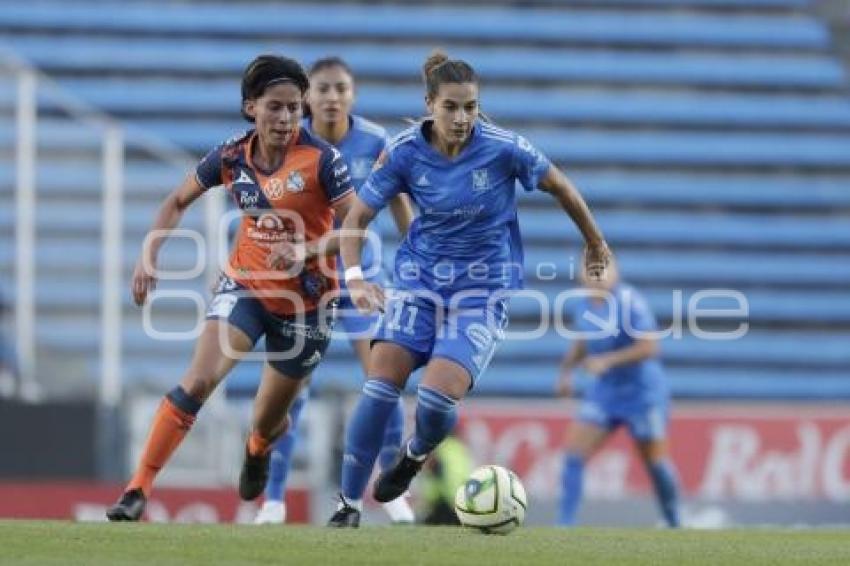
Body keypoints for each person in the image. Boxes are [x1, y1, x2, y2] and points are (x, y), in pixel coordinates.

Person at [327, 50, 611, 528]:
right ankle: (347, 506)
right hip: (419, 284)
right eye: (452, 107)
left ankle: (414, 456)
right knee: (378, 389)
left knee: (437, 402)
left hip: (481, 292)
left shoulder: (504, 148)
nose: (462, 118)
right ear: (429, 105)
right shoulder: (402, 152)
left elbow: (561, 185)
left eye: (471, 107)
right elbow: (357, 217)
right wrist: (355, 278)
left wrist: (595, 243)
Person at [106, 54, 355, 521]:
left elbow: (356, 225)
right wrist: (149, 253)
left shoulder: (324, 160)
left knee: (267, 419)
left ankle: (258, 447)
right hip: (245, 288)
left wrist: (307, 252)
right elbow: (177, 200)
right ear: (250, 108)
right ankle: (136, 489)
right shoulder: (230, 156)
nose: (285, 119)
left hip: (307, 305)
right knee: (199, 380)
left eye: (294, 109)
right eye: (275, 107)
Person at [253, 57, 416, 525]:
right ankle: (275, 499)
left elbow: (401, 202)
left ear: (353, 94)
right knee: (295, 388)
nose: (331, 97)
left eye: (340, 88)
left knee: (384, 378)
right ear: (308, 97)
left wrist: (414, 261)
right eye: (322, 89)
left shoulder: (376, 140)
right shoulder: (291, 142)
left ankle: (390, 490)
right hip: (307, 281)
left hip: (364, 277)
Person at [555, 259, 681, 528]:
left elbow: (650, 347)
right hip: (605, 392)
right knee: (573, 453)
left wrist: (607, 361)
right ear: (581, 274)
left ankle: (674, 522)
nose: (597, 276)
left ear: (616, 272)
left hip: (642, 393)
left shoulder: (629, 300)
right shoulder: (582, 305)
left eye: (603, 269)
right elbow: (581, 342)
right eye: (591, 270)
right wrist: (566, 372)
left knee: (656, 463)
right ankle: (564, 525)